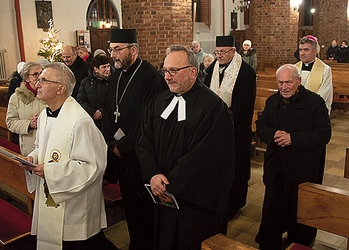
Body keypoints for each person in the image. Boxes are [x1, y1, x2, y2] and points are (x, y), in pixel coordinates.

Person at [136, 45, 235, 250]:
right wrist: (153, 174)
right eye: (165, 70)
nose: (167, 77)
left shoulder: (213, 108)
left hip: (193, 203)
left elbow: (206, 157)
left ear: (193, 72)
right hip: (161, 196)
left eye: (174, 71)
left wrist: (169, 184)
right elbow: (144, 141)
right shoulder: (159, 101)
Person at [20, 62, 117, 250]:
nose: (37, 84)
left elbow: (93, 166)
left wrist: (49, 170)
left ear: (60, 88)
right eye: (38, 79)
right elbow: (42, 147)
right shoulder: (44, 115)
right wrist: (32, 158)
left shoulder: (80, 121)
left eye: (43, 80)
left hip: (75, 205)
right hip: (51, 194)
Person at [102, 28, 167, 250]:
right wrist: (112, 142)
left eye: (117, 50)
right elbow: (109, 109)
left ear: (133, 49)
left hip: (140, 156)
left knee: (144, 209)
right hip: (121, 155)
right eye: (112, 50)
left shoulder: (151, 77)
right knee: (129, 205)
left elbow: (148, 119)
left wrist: (124, 146)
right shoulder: (117, 74)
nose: (113, 55)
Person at [254, 64, 331, 249]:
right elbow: (261, 125)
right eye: (280, 83)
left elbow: (324, 134)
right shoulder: (273, 101)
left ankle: (299, 242)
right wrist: (273, 135)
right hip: (277, 168)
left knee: (299, 210)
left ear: (299, 81)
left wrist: (293, 139)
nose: (284, 87)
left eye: (288, 82)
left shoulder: (315, 103)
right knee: (273, 208)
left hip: (302, 169)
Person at [204, 35, 256, 219]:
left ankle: (234, 204)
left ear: (233, 51)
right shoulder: (211, 69)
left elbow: (244, 104)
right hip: (214, 129)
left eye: (223, 52)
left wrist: (224, 120)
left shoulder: (246, 72)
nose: (219, 56)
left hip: (236, 130)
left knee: (236, 168)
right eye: (217, 52)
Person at [6, 62, 46, 156]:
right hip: (30, 143)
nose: (39, 76)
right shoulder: (16, 97)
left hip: (49, 141)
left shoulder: (50, 93)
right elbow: (10, 122)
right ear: (27, 78)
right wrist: (29, 124)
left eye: (41, 73)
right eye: (35, 74)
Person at [295, 35, 333, 115]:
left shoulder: (325, 69)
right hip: (295, 108)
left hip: (314, 110)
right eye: (300, 50)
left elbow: (324, 93)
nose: (302, 53)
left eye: (306, 50)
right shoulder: (294, 68)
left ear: (315, 51)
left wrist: (307, 105)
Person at [76, 54, 112, 132]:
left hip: (108, 121)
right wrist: (92, 112)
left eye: (108, 66)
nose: (107, 69)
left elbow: (113, 100)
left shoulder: (113, 81)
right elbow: (80, 99)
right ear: (96, 69)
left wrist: (102, 112)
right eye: (104, 67)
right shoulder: (86, 82)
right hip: (90, 121)